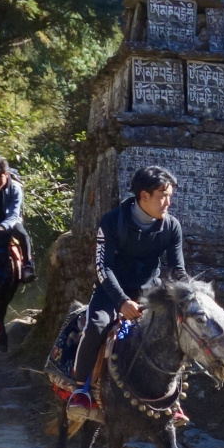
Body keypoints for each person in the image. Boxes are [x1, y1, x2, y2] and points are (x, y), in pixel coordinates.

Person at [69, 164, 187, 415]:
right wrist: (122, 302)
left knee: (177, 332)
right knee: (96, 326)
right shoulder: (112, 222)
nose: (168, 203)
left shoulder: (171, 227)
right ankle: (81, 390)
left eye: (170, 196)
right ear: (144, 196)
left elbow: (177, 270)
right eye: (162, 196)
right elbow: (102, 268)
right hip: (111, 292)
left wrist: (190, 294)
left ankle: (172, 399)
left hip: (148, 295)